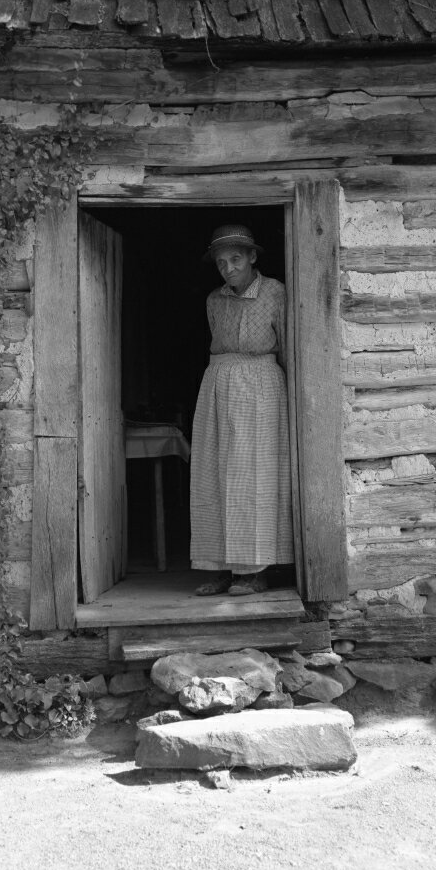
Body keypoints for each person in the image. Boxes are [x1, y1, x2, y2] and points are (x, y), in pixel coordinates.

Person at [190, 224, 293, 596]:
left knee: (252, 478)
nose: (228, 268)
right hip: (217, 384)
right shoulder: (213, 301)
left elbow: (287, 346)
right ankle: (221, 566)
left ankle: (253, 570)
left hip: (260, 387)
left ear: (252, 257)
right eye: (221, 262)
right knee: (214, 476)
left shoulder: (275, 293)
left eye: (235, 259)